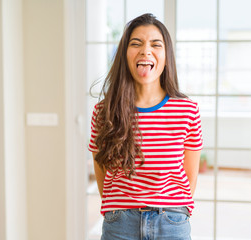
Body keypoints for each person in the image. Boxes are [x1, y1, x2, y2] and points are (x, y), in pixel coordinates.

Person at [88, 13, 203, 240]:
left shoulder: (187, 110)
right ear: (125, 55)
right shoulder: (103, 112)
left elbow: (190, 175)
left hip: (172, 222)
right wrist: (117, 209)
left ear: (166, 56)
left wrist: (173, 209)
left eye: (155, 44)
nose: (145, 51)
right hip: (119, 223)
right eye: (136, 43)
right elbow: (100, 169)